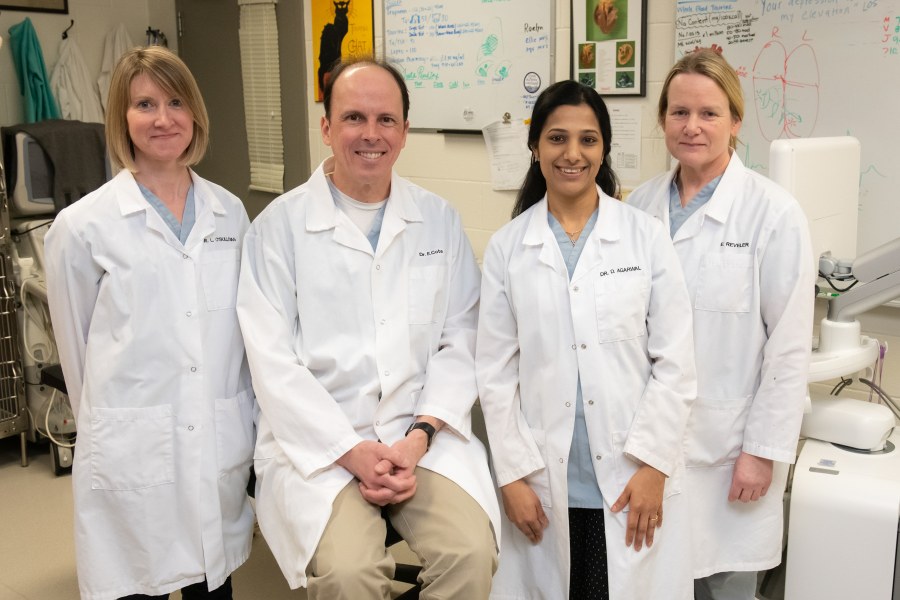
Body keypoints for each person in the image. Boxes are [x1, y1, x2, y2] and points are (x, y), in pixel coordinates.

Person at [236, 57, 500, 599]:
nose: (371, 134)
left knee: (471, 555)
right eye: (354, 118)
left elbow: (462, 338)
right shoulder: (277, 230)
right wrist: (350, 452)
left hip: (419, 441)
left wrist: (420, 436)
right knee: (350, 574)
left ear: (405, 131)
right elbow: (272, 364)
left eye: (386, 119)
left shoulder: (439, 220)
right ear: (327, 127)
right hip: (320, 448)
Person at [45, 46, 255, 600]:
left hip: (214, 440)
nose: (163, 118)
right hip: (133, 447)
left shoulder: (230, 213)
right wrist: (115, 430)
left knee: (214, 584)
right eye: (144, 103)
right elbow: (76, 351)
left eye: (176, 101)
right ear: (122, 116)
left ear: (195, 116)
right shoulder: (83, 226)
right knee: (137, 579)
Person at [476, 80, 698, 600]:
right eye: (557, 139)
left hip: (629, 478)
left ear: (603, 149)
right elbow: (494, 373)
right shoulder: (509, 248)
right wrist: (511, 476)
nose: (572, 154)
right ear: (535, 147)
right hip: (543, 481)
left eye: (588, 140)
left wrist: (653, 465)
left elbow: (676, 364)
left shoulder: (645, 237)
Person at [627, 48, 815, 600]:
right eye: (679, 112)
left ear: (735, 122)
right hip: (651, 447)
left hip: (729, 450)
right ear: (662, 119)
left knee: (724, 584)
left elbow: (788, 348)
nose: (692, 127)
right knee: (653, 582)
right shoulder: (638, 208)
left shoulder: (773, 214)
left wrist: (761, 452)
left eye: (709, 113)